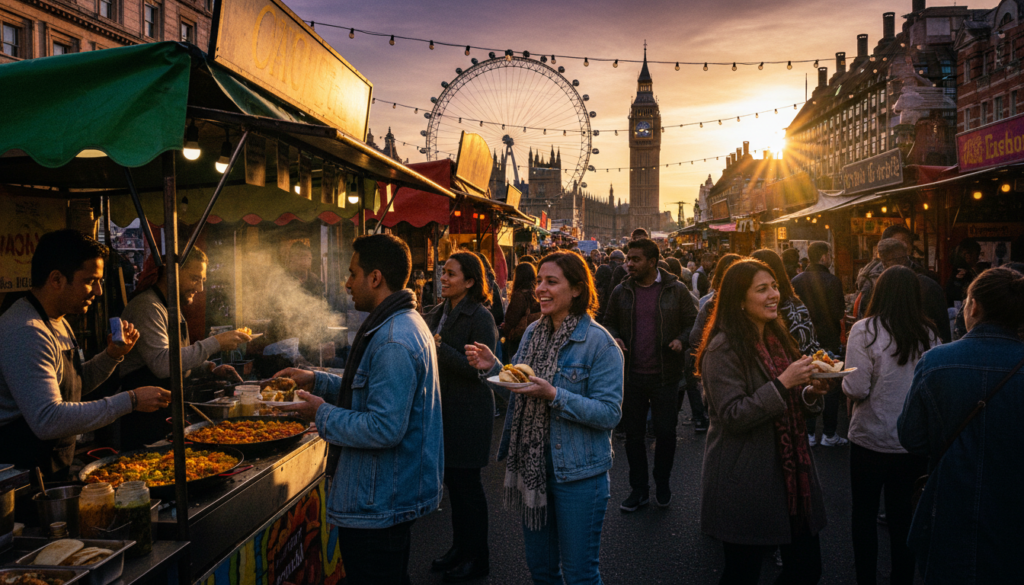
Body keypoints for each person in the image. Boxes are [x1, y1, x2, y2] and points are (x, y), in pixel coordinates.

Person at [276, 234, 444, 585]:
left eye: (353, 274)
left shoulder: (394, 338)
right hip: (385, 495)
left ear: (376, 278)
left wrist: (321, 414)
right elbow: (369, 389)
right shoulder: (397, 324)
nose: (347, 283)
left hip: (380, 500)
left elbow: (384, 426)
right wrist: (316, 379)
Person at [467, 251, 623, 585]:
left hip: (579, 476)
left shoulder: (600, 343)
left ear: (577, 289)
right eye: (539, 281)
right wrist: (494, 367)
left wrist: (555, 396)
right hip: (534, 472)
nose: (541, 289)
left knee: (580, 575)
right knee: (542, 571)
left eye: (552, 282)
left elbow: (609, 413)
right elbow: (518, 388)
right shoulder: (533, 333)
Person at [696, 258, 829, 585]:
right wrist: (784, 383)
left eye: (775, 287)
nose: (774, 295)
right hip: (745, 478)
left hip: (792, 478)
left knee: (807, 569)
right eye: (762, 289)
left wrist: (810, 390)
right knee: (742, 573)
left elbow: (796, 402)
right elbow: (733, 416)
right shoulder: (722, 347)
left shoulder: (778, 336)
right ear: (739, 300)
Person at [0, 229, 169, 479]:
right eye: (91, 281)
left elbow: (75, 387)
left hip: (52, 467)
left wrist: (112, 356)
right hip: (21, 477)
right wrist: (130, 400)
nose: (99, 291)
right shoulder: (25, 331)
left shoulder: (58, 320)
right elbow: (48, 419)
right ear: (56, 279)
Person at [898, 266, 1024, 584]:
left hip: (948, 509)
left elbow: (911, 437)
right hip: (1012, 516)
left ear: (973, 306)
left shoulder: (936, 362)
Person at [844, 266, 939, 585]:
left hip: (869, 438)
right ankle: (902, 579)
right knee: (904, 520)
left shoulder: (864, 330)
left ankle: (866, 579)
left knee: (864, 516)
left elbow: (856, 388)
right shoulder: (930, 334)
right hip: (912, 444)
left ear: (878, 292)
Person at [119, 247, 250, 450]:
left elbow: (179, 358)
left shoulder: (172, 309)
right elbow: (163, 364)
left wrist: (208, 368)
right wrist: (216, 343)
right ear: (172, 275)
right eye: (195, 279)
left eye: (203, 280)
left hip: (166, 413)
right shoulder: (147, 308)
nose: (200, 288)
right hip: (144, 420)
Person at [602, 238, 698, 510]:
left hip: (665, 375)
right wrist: (616, 338)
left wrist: (682, 340)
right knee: (633, 436)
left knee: (666, 433)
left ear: (652, 262)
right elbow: (608, 322)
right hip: (632, 376)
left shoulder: (676, 290)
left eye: (635, 259)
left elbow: (692, 323)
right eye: (628, 259)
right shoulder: (621, 291)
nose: (628, 264)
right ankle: (639, 489)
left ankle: (663, 482)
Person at [424, 252, 498, 582]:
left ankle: (477, 558)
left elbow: (478, 370)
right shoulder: (439, 312)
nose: (443, 278)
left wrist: (438, 348)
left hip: (469, 413)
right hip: (444, 411)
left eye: (451, 274)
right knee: (454, 485)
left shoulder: (480, 317)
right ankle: (459, 548)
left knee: (469, 489)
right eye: (443, 272)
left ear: (469, 281)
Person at [792, 242, 847, 448]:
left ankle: (808, 433)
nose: (831, 258)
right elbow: (838, 313)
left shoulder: (796, 280)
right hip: (827, 339)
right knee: (829, 386)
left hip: (803, 341)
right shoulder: (833, 281)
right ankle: (829, 433)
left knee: (806, 384)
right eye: (830, 255)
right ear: (824, 257)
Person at [876, 239, 951, 343]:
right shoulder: (884, 286)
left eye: (903, 258)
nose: (902, 263)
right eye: (895, 259)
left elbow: (942, 325)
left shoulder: (926, 285)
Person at [752, 249, 821, 356]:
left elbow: (805, 349)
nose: (771, 295)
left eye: (773, 286)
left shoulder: (792, 310)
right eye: (761, 289)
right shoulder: (795, 307)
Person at [502, 262, 542, 359]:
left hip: (518, 340)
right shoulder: (537, 294)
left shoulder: (519, 296)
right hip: (534, 337)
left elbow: (511, 320)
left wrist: (505, 328)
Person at [943, 237, 981, 309]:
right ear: (967, 255)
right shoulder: (965, 274)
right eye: (976, 255)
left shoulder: (956, 272)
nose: (977, 259)